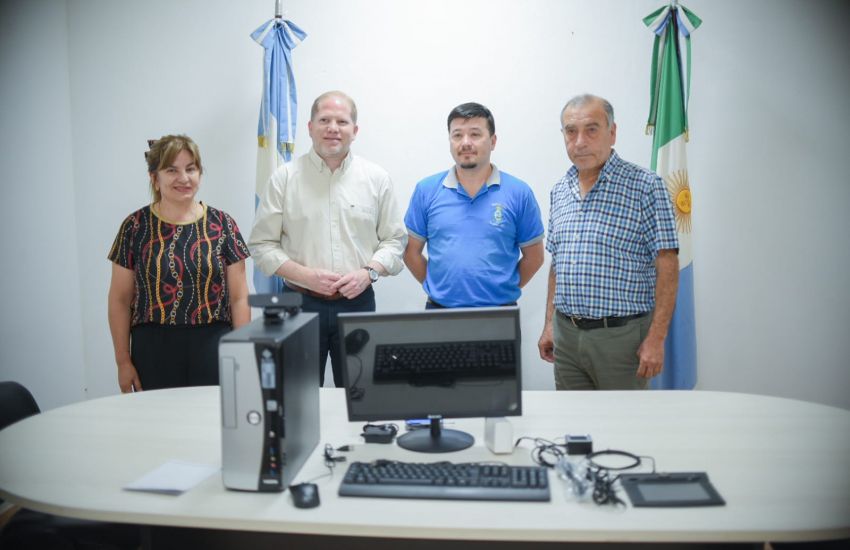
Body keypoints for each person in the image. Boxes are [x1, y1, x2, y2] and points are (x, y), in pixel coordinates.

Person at [249, 91, 406, 387]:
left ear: (354, 130)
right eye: (324, 120)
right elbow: (261, 245)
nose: (333, 128)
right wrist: (305, 276)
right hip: (299, 305)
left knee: (360, 393)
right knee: (299, 396)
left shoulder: (376, 179)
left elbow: (395, 241)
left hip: (357, 304)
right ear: (310, 127)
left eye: (342, 122)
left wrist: (368, 273)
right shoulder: (284, 178)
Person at [538, 94, 679, 390]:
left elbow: (667, 264)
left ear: (612, 133)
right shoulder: (559, 191)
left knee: (623, 419)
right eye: (571, 131)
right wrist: (549, 324)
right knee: (572, 419)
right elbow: (557, 265)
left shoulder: (645, 186)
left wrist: (656, 338)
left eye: (591, 129)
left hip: (622, 340)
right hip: (567, 337)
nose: (580, 142)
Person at [108, 134, 251, 393]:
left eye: (191, 169)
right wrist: (122, 361)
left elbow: (239, 298)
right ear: (154, 178)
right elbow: (119, 300)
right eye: (172, 170)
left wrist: (243, 355)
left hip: (214, 346)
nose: (183, 178)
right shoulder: (135, 227)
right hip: (153, 350)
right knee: (159, 418)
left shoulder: (223, 225)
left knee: (212, 418)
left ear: (200, 174)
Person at [404, 102, 545, 308]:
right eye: (457, 135)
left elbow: (535, 257)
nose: (465, 142)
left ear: (493, 141)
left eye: (475, 134)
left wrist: (501, 291)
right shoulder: (426, 190)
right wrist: (438, 289)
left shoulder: (519, 193)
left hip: (500, 313)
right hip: (439, 311)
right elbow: (411, 253)